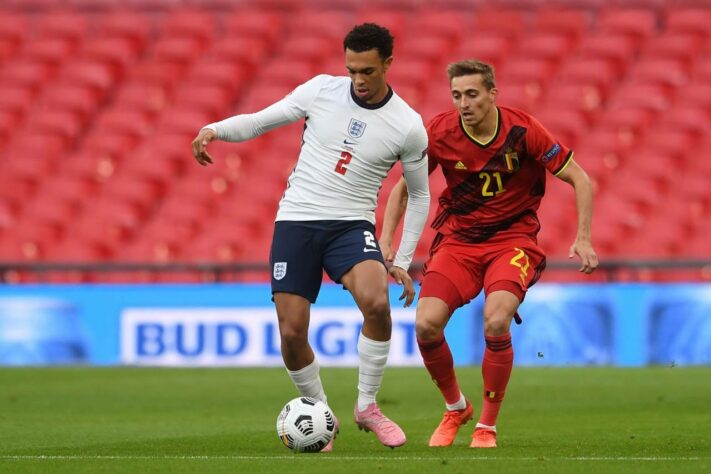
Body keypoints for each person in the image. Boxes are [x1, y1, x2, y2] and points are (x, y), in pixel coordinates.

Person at [191, 23, 430, 451]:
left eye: (368, 71)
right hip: (297, 222)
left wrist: (403, 257)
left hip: (351, 225)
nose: (358, 79)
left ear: (388, 65)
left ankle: (368, 406)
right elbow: (262, 120)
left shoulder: (408, 126)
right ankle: (322, 416)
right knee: (291, 332)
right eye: (352, 69)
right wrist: (216, 128)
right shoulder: (321, 90)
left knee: (376, 302)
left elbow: (420, 193)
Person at [380, 59, 598, 448]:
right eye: (457, 95)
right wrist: (388, 240)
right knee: (426, 325)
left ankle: (487, 426)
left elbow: (580, 178)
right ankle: (455, 408)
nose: (464, 103)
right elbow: (403, 188)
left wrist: (583, 237)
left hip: (512, 240)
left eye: (472, 94)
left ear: (492, 94)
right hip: (459, 242)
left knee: (496, 320)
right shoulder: (440, 132)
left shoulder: (522, 130)